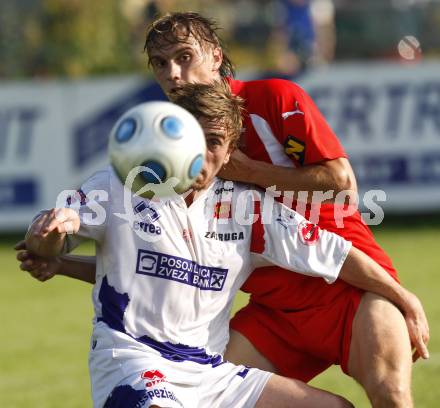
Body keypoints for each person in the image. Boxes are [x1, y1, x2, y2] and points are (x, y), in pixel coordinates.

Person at [17, 12, 429, 408]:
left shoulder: (273, 100)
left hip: (348, 290)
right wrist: (60, 256)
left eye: (184, 57)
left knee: (391, 397)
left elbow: (343, 184)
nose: (173, 74)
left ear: (215, 55)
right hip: (273, 314)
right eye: (160, 64)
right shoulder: (163, 163)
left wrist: (249, 170)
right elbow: (150, 267)